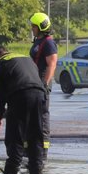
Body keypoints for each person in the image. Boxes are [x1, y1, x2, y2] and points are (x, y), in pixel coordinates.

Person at [0, 45, 48, 174]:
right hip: (39, 95)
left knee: (15, 136)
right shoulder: (26, 58)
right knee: (35, 135)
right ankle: (36, 171)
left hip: (20, 95)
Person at [29, 12, 57, 154]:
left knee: (42, 116)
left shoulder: (49, 43)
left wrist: (44, 84)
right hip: (34, 82)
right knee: (31, 115)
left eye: (34, 26)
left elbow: (52, 64)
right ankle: (30, 148)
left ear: (40, 27)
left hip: (41, 84)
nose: (32, 28)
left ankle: (43, 150)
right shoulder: (38, 41)